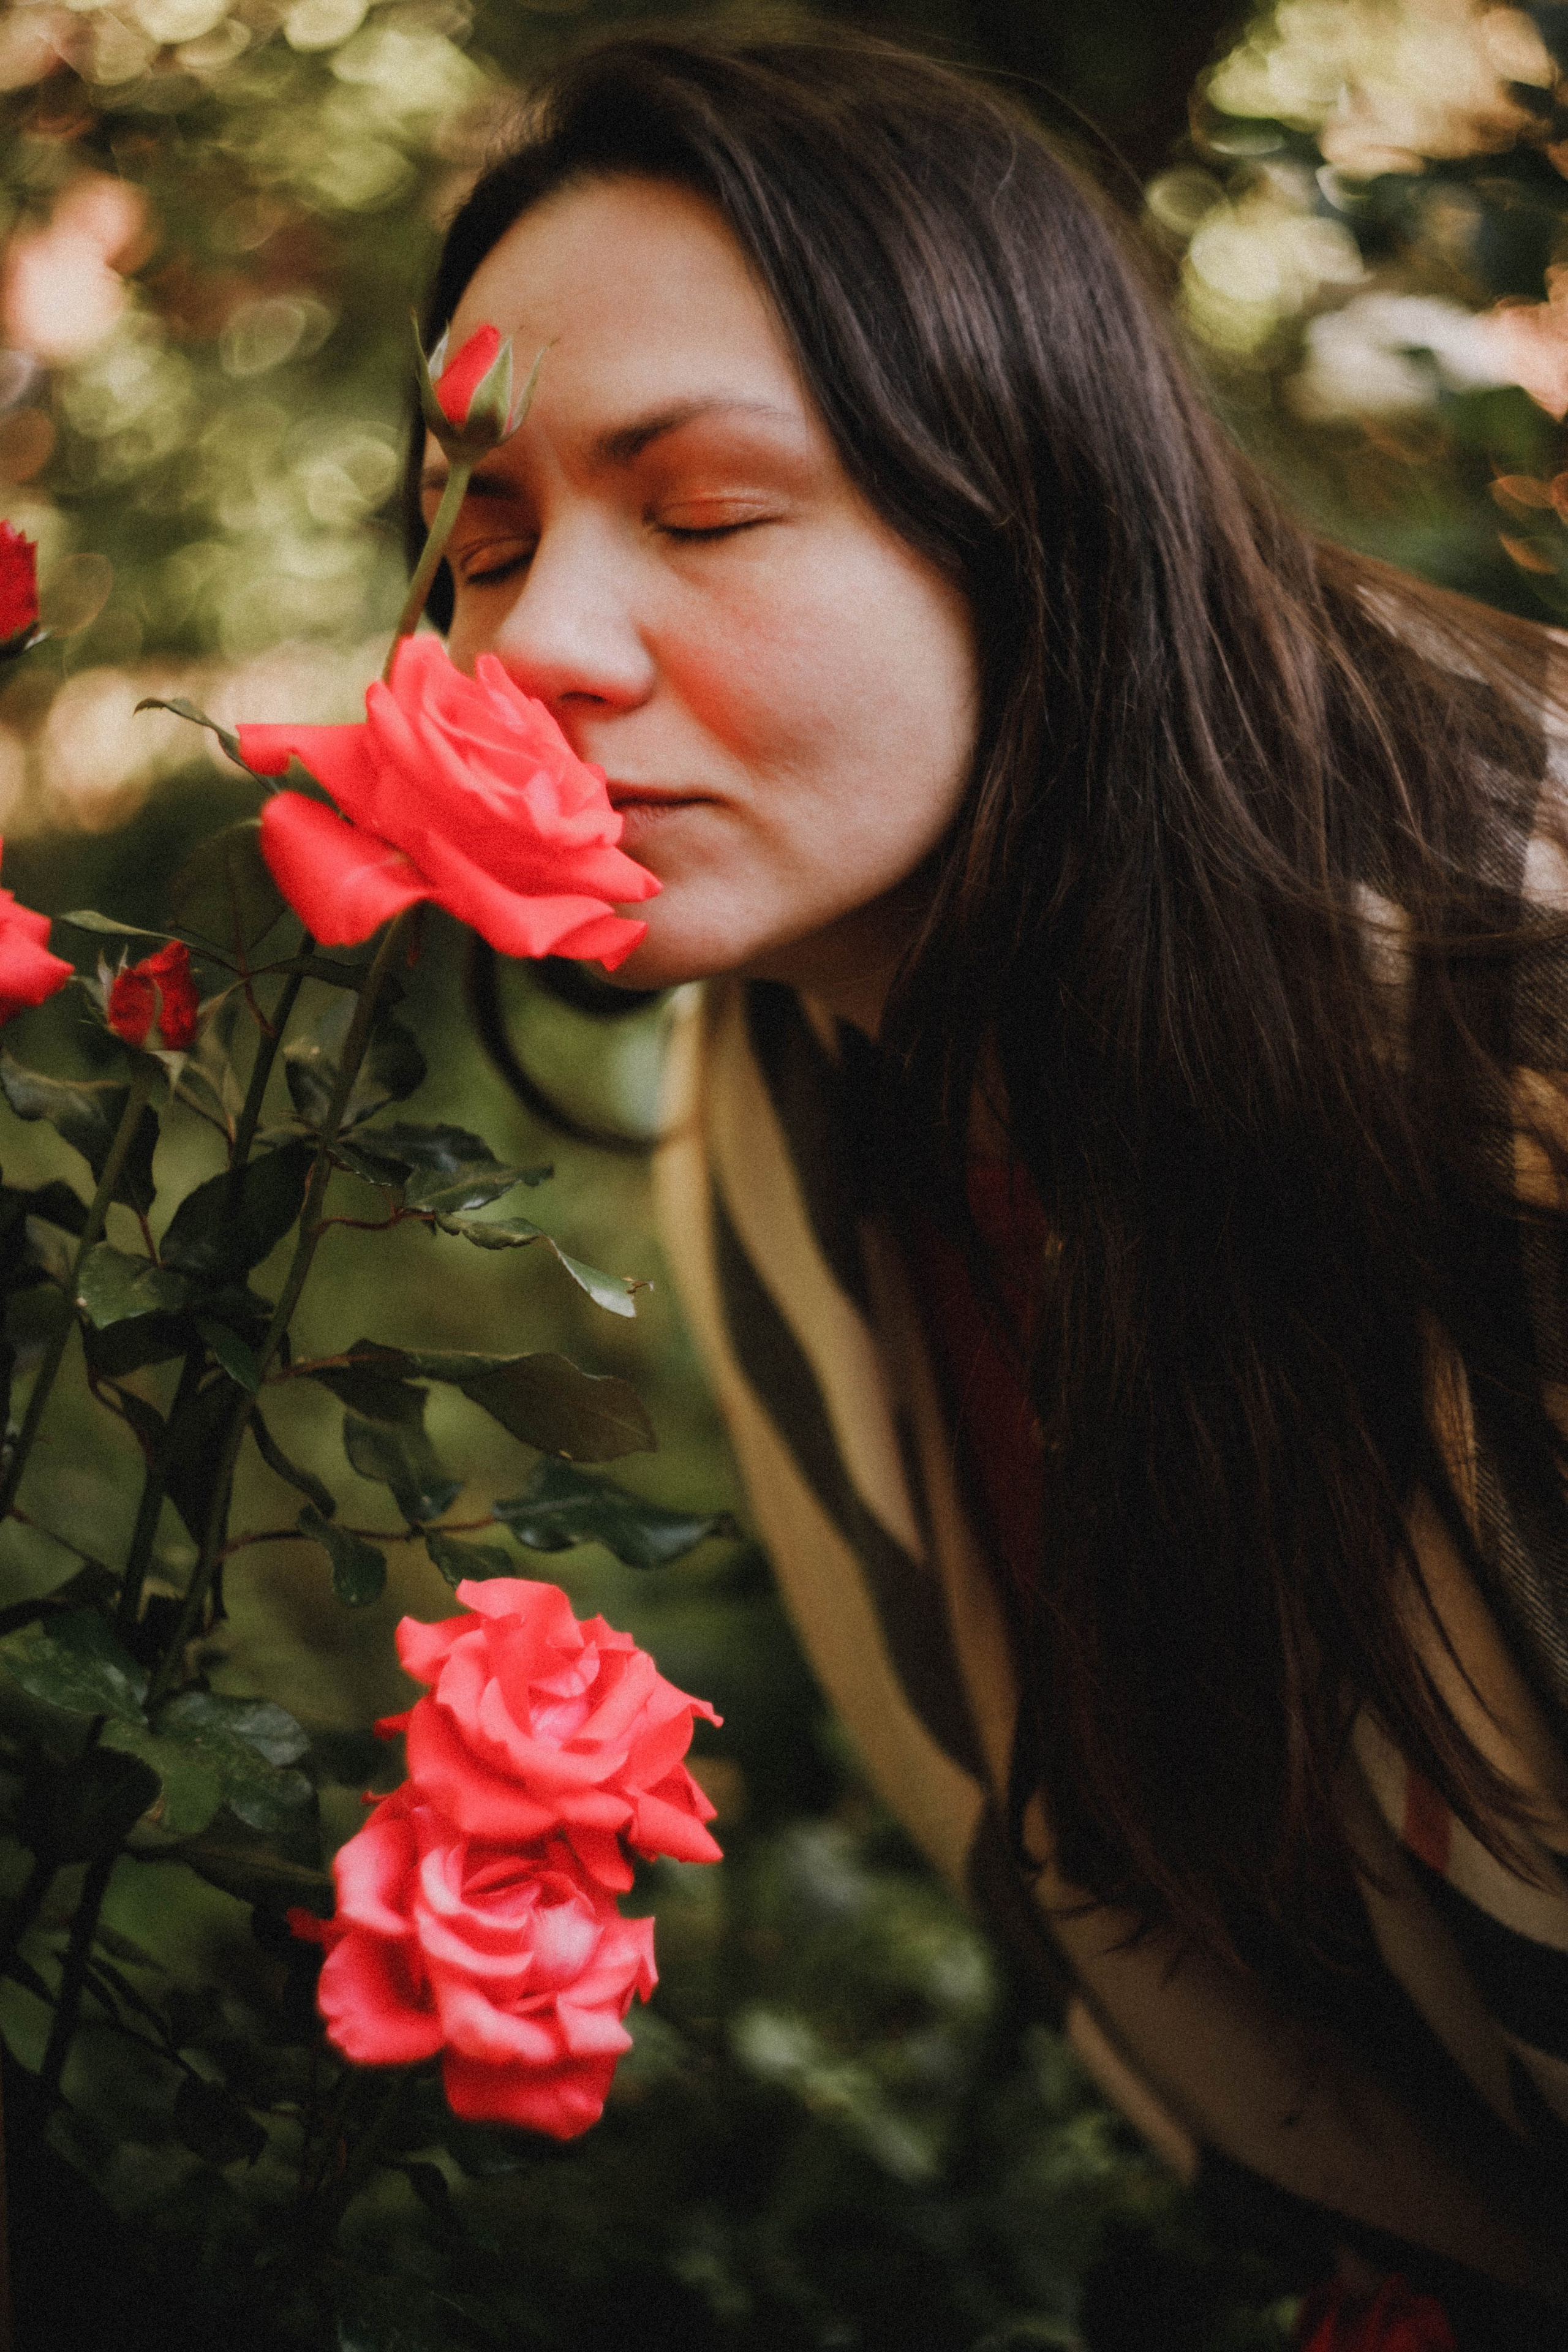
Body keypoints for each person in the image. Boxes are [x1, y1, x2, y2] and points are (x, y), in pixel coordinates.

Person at [410, 31, 1568, 2343]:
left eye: (709, 510)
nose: (529, 647)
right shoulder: (790, 1107)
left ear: (1048, 510)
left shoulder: (1515, 1033)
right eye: (487, 536)